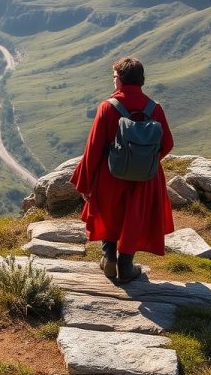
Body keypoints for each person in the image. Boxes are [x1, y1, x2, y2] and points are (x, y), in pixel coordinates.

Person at [70, 56, 174, 283]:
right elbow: (167, 144)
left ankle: (109, 258)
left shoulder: (107, 107)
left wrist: (85, 183)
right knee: (134, 216)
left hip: (111, 173)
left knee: (109, 212)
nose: (113, 81)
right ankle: (126, 266)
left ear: (121, 80)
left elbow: (94, 148)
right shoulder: (154, 108)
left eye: (115, 77)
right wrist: (147, 161)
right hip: (146, 178)